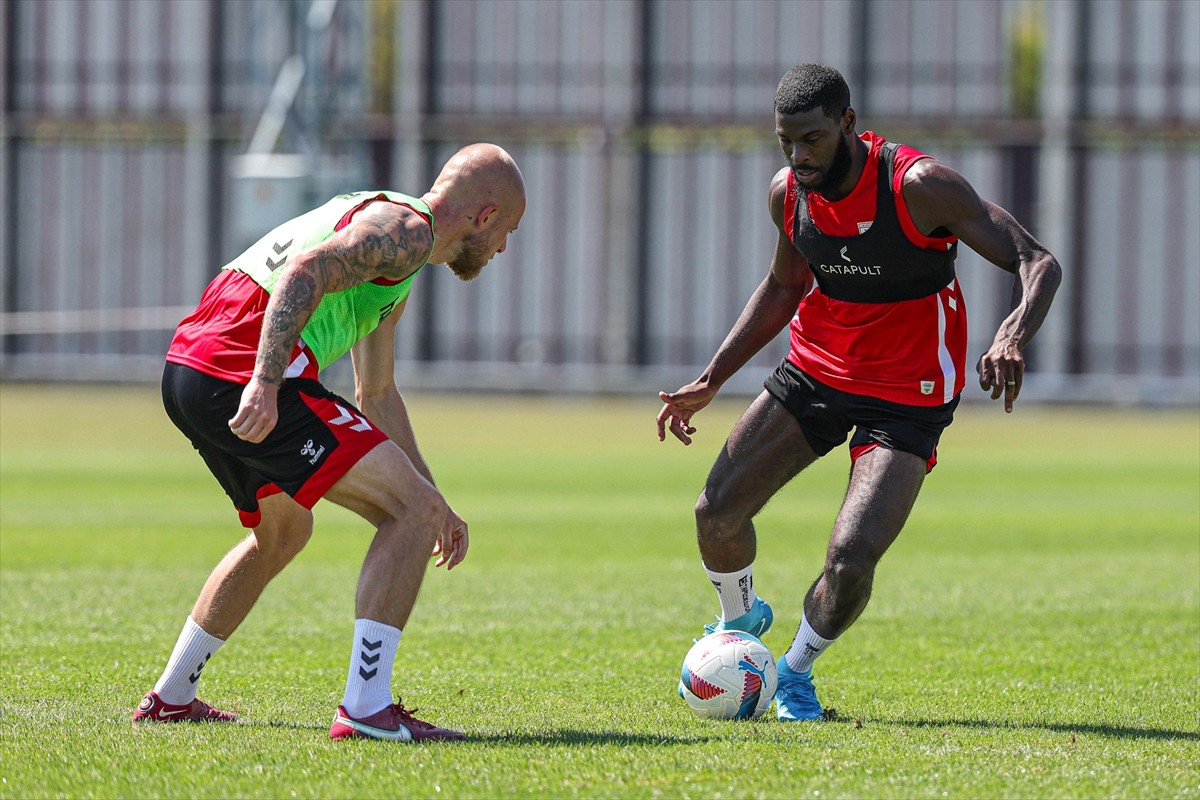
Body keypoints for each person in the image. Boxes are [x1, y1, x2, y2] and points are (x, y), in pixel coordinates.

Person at [657, 65, 1061, 722]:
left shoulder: (918, 187)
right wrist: (712, 377)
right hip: (817, 370)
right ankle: (739, 622)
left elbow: (1038, 261)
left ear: (848, 124)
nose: (799, 155)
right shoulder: (788, 192)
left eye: (812, 139)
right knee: (715, 513)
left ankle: (792, 675)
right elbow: (785, 287)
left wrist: (1012, 332)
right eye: (787, 141)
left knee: (850, 560)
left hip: (908, 392)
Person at [134, 142, 526, 742]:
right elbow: (305, 271)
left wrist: (433, 497)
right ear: (485, 216)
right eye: (508, 232)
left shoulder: (396, 249)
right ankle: (366, 709)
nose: (504, 249)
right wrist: (265, 380)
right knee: (407, 516)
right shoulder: (405, 232)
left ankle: (172, 695)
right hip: (243, 369)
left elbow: (378, 394)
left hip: (191, 368)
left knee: (284, 530)